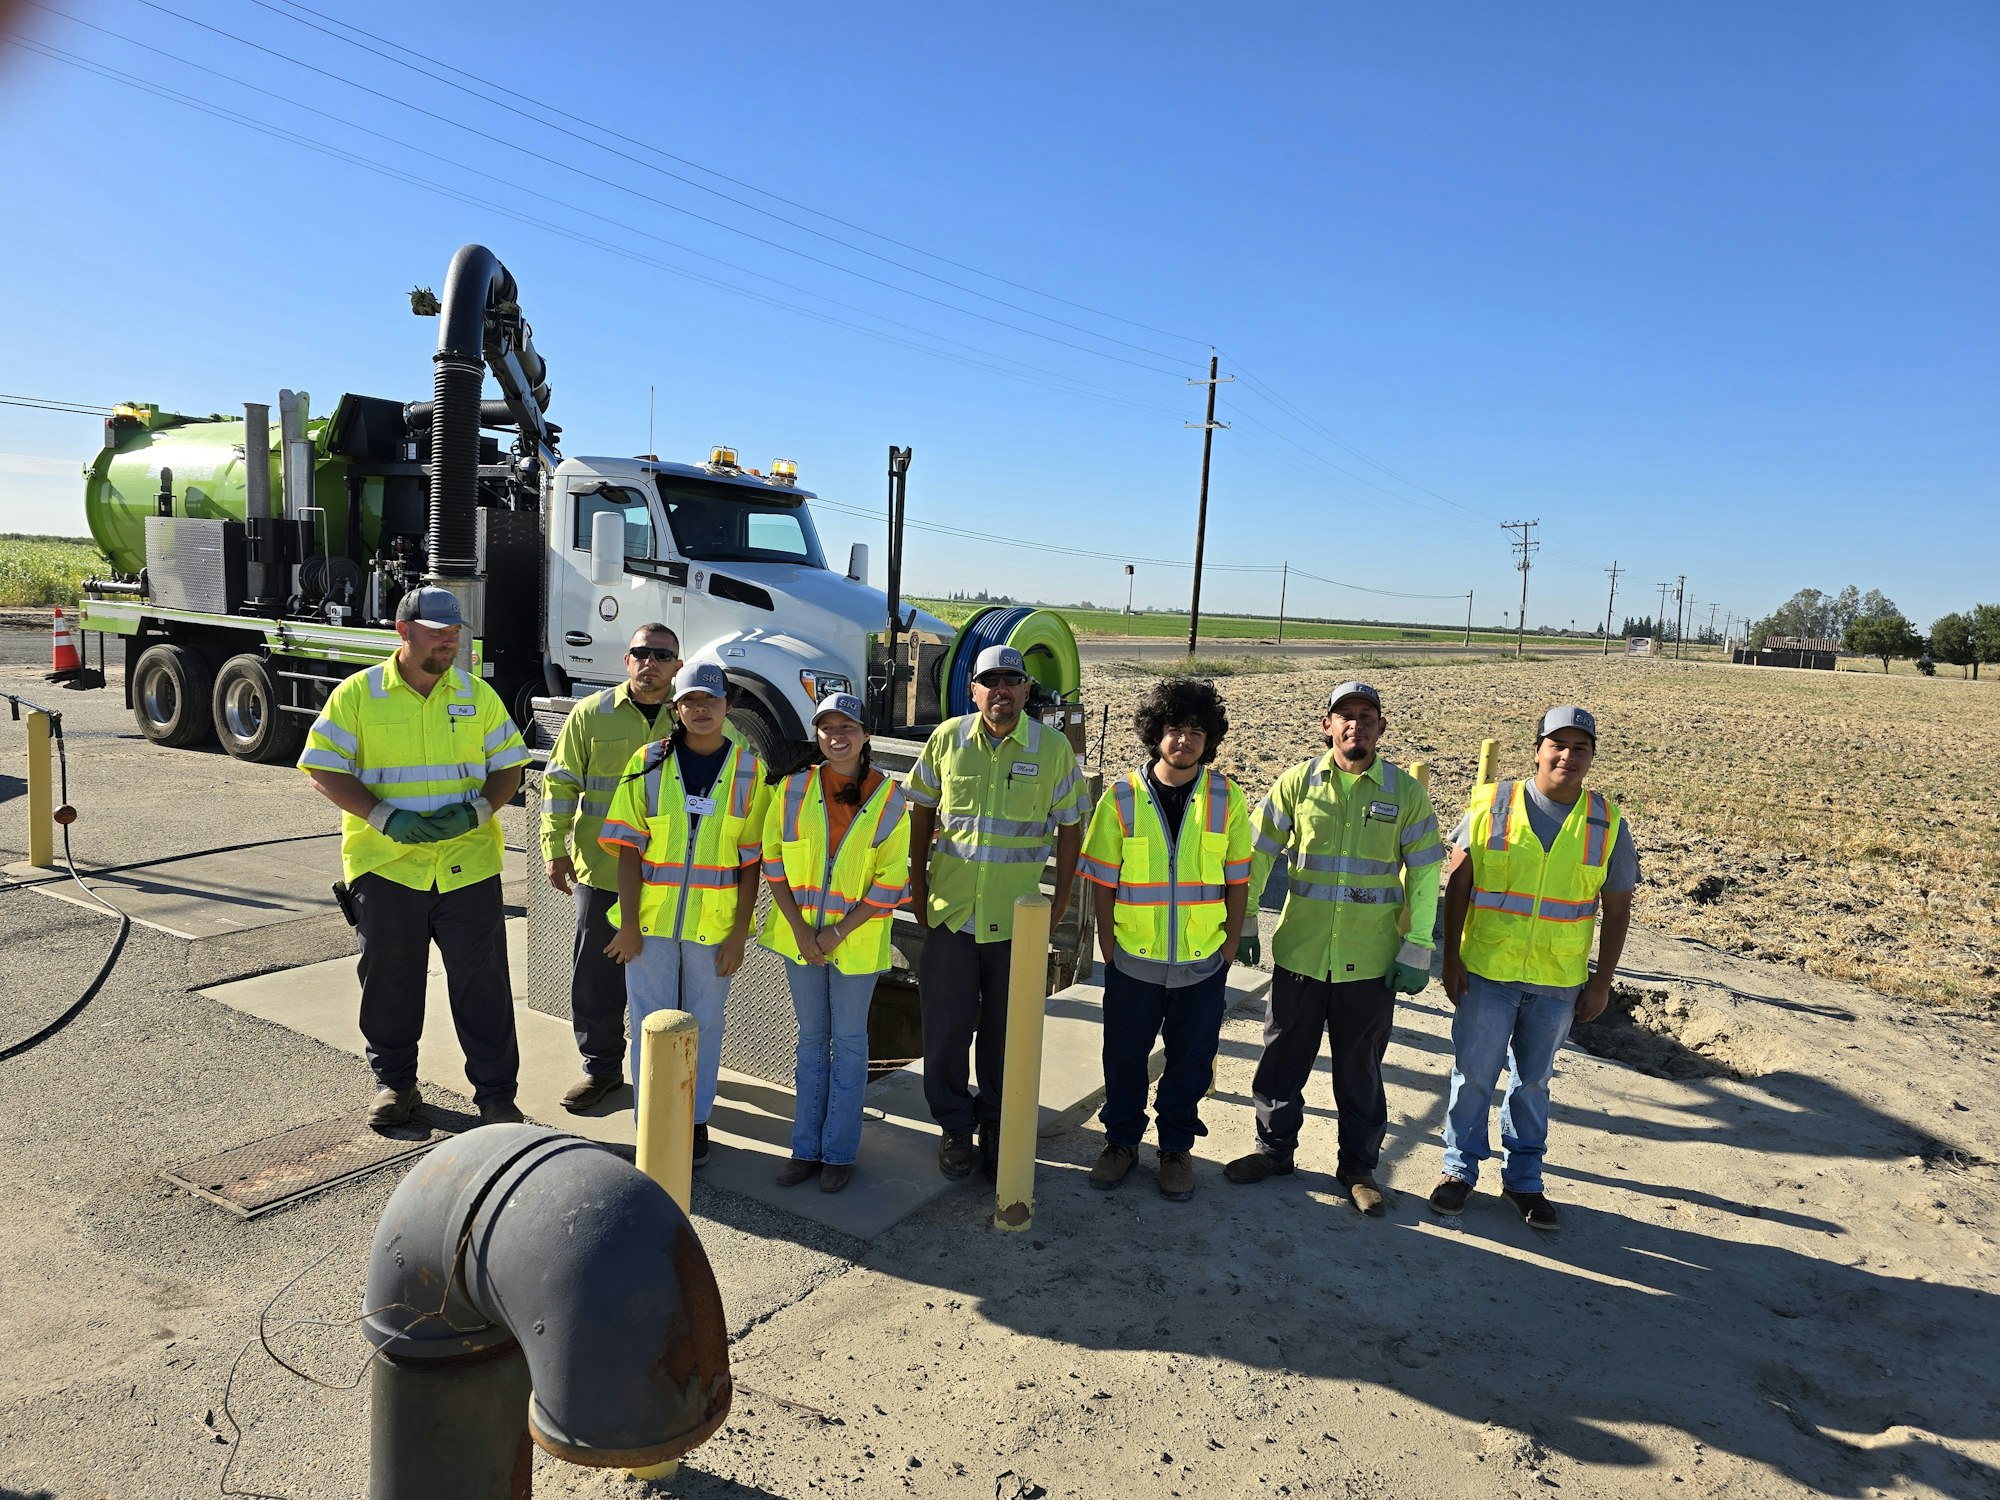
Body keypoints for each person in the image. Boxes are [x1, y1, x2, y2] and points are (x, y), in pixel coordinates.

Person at [299, 586, 530, 1129]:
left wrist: (478, 811)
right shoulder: (358, 695)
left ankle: (497, 1096)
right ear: (403, 632)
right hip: (386, 867)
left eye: (454, 632)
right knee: (390, 981)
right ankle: (395, 1085)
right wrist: (383, 817)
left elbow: (509, 766)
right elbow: (322, 767)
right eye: (436, 632)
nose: (449, 641)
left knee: (484, 986)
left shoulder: (476, 695)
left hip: (467, 866)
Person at [1226, 681, 1444, 1216]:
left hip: (1370, 962)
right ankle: (1274, 1151)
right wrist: (1247, 918)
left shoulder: (1404, 793)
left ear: (1380, 728)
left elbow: (1424, 871)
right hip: (1302, 954)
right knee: (1281, 1059)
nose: (1355, 724)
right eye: (1344, 715)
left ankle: (1358, 1169)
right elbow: (1257, 855)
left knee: (1360, 1069)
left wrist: (1417, 945)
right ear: (1327, 725)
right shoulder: (1297, 785)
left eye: (1366, 716)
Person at [1430, 706, 1637, 1230]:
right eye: (1558, 745)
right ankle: (1459, 1171)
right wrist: (1450, 958)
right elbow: (1457, 886)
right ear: (1538, 748)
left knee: (1533, 1083)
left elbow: (1617, 906)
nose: (1568, 756)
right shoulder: (1492, 804)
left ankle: (1524, 1183)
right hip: (1486, 974)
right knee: (1473, 1074)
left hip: (1557, 981)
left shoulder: (1606, 821)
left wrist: (1602, 981)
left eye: (1580, 748)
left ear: (1592, 757)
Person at [906, 645, 1084, 1181]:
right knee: (945, 1030)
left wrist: (1058, 905)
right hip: (952, 915)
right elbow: (921, 812)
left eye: (1012, 680)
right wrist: (918, 889)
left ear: (1028, 691)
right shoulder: (947, 740)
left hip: (1016, 923)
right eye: (991, 681)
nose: (1001, 690)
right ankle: (955, 1127)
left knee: (1008, 1033)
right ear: (973, 690)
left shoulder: (1052, 749)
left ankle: (996, 1124)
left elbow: (1071, 826)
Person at [1077, 677, 1253, 1201]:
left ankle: (1176, 1148)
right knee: (1124, 1057)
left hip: (1202, 962)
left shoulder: (1227, 796)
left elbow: (1239, 879)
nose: (1184, 740)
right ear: (1156, 733)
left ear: (1209, 739)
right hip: (1134, 961)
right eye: (1174, 729)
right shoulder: (1122, 796)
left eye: (1196, 731)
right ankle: (1121, 1143)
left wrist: (1229, 946)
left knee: (1191, 1062)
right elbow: (1102, 881)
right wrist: (1108, 946)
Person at [598, 660, 769, 1168]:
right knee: (649, 1022)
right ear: (677, 707)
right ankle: (649, 1118)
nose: (701, 710)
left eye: (710, 701)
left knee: (704, 1022)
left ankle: (694, 1123)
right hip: (649, 925)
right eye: (691, 701)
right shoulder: (647, 761)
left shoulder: (749, 769)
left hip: (712, 927)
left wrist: (740, 933)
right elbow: (628, 849)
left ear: (727, 707)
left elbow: (751, 859)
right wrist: (628, 924)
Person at [759, 693, 911, 1194]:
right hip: (802, 941)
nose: (837, 736)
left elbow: (892, 882)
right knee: (809, 1042)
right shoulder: (794, 789)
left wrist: (836, 932)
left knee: (848, 1045)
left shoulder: (889, 799)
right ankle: (805, 1148)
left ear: (866, 735)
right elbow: (774, 861)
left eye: (848, 726)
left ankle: (839, 1153)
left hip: (857, 943)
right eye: (827, 727)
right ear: (816, 734)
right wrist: (804, 933)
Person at [541, 623, 683, 1112]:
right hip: (600, 869)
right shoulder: (591, 713)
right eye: (642, 653)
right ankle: (601, 1070)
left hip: (670, 877)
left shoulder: (691, 718)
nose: (651, 662)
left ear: (677, 667)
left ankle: (668, 1072)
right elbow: (558, 783)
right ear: (627, 660)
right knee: (597, 977)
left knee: (666, 980)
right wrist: (553, 849)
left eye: (662, 655)